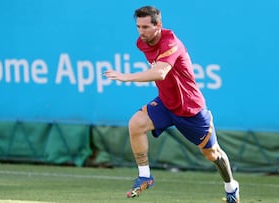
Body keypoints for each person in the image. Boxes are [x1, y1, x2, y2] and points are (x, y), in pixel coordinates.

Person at [103, 5, 240, 203]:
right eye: (138, 27)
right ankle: (144, 176)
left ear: (158, 25)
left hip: (190, 108)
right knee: (136, 123)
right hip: (166, 103)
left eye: (146, 27)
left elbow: (160, 72)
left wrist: (126, 77)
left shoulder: (171, 42)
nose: (141, 32)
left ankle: (231, 186)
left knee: (213, 154)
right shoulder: (142, 43)